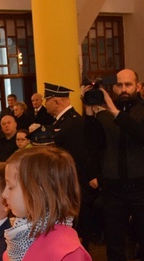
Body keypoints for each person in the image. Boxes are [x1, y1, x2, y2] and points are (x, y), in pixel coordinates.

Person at [85, 69, 144, 261]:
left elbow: (143, 135)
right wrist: (89, 110)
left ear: (138, 86)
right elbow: (92, 142)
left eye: (128, 84)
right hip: (113, 188)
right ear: (115, 88)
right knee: (115, 242)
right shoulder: (105, 115)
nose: (124, 89)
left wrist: (114, 111)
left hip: (141, 186)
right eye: (119, 85)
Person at [45, 82, 102, 247]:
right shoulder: (61, 122)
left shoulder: (73, 123)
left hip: (73, 185)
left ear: (57, 101)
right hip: (63, 185)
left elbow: (76, 158)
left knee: (77, 232)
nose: (45, 103)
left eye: (47, 99)